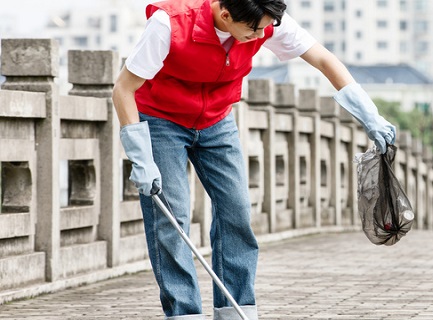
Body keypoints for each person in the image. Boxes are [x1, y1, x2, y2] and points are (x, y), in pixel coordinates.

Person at [111, 0, 396, 318]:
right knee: (172, 219)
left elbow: (323, 59)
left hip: (216, 121)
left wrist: (369, 114)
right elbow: (123, 88)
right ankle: (184, 312)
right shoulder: (169, 24)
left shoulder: (266, 19)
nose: (263, 35)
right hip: (161, 120)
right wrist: (140, 155)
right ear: (225, 15)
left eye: (267, 28)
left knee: (237, 213)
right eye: (255, 30)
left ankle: (236, 310)